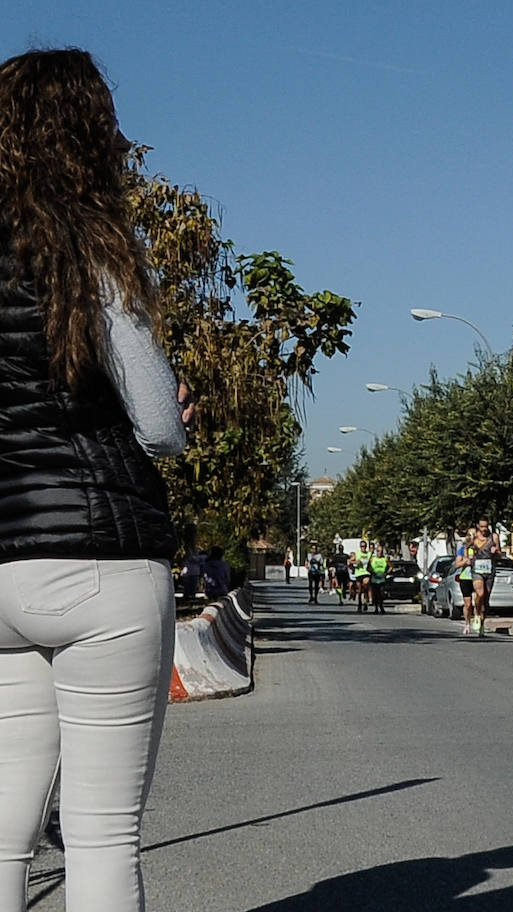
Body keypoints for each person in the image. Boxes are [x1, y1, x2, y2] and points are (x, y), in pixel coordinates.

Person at [0, 47, 194, 912]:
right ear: (91, 135)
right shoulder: (88, 244)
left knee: (5, 829)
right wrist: (173, 406)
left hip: (3, 567)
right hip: (102, 560)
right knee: (102, 833)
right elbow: (157, 425)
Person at [469, 519, 501, 636]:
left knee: (486, 599)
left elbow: (499, 554)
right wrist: (470, 553)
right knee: (480, 593)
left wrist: (496, 552)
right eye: (482, 527)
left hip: (489, 570)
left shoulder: (494, 537)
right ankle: (477, 614)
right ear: (478, 526)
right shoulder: (473, 536)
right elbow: (466, 548)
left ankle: (482, 624)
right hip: (477, 570)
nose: (484, 529)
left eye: (486, 527)